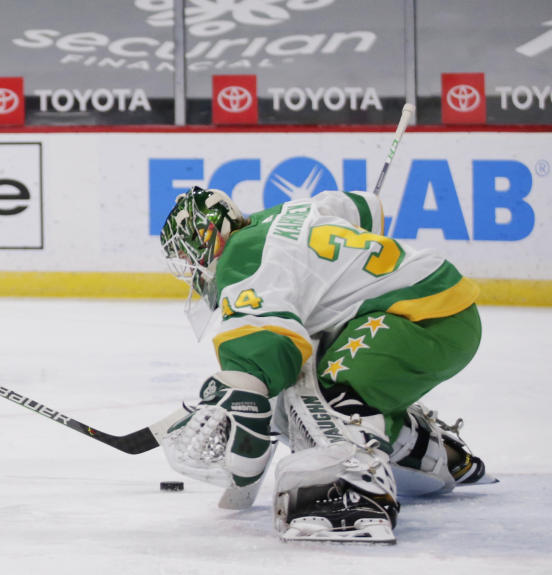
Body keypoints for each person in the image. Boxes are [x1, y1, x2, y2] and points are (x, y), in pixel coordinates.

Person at [157, 186, 493, 544]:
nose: (190, 265)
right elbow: (365, 207)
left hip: (418, 317)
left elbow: (266, 349)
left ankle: (349, 495)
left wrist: (235, 395)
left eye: (186, 251)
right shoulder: (287, 213)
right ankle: (423, 450)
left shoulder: (242, 256)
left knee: (319, 391)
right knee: (307, 390)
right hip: (435, 308)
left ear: (209, 237)